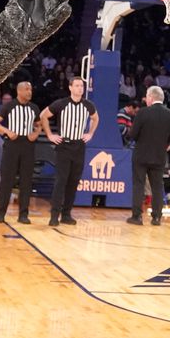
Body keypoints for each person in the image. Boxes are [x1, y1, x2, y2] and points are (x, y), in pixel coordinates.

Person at [39, 75, 98, 226]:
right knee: (61, 181)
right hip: (64, 146)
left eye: (82, 86)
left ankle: (66, 214)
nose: (80, 88)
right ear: (70, 87)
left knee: (73, 182)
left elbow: (96, 118)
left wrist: (90, 133)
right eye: (77, 85)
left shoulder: (88, 105)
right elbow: (43, 116)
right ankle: (54, 215)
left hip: (79, 146)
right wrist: (50, 135)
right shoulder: (61, 103)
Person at [0, 80, 39, 224]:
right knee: (7, 180)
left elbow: (38, 124)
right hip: (12, 144)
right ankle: (1, 213)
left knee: (26, 181)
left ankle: (23, 214)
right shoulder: (9, 106)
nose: (30, 92)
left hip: (28, 145)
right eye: (27, 89)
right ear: (19, 91)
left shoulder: (34, 108)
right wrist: (7, 131)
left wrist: (36, 133)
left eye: (30, 89)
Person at [127, 85, 170, 226]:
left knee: (138, 185)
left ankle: (136, 217)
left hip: (141, 155)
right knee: (157, 187)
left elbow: (132, 135)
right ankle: (156, 218)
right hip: (159, 156)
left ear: (151, 97)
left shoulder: (142, 113)